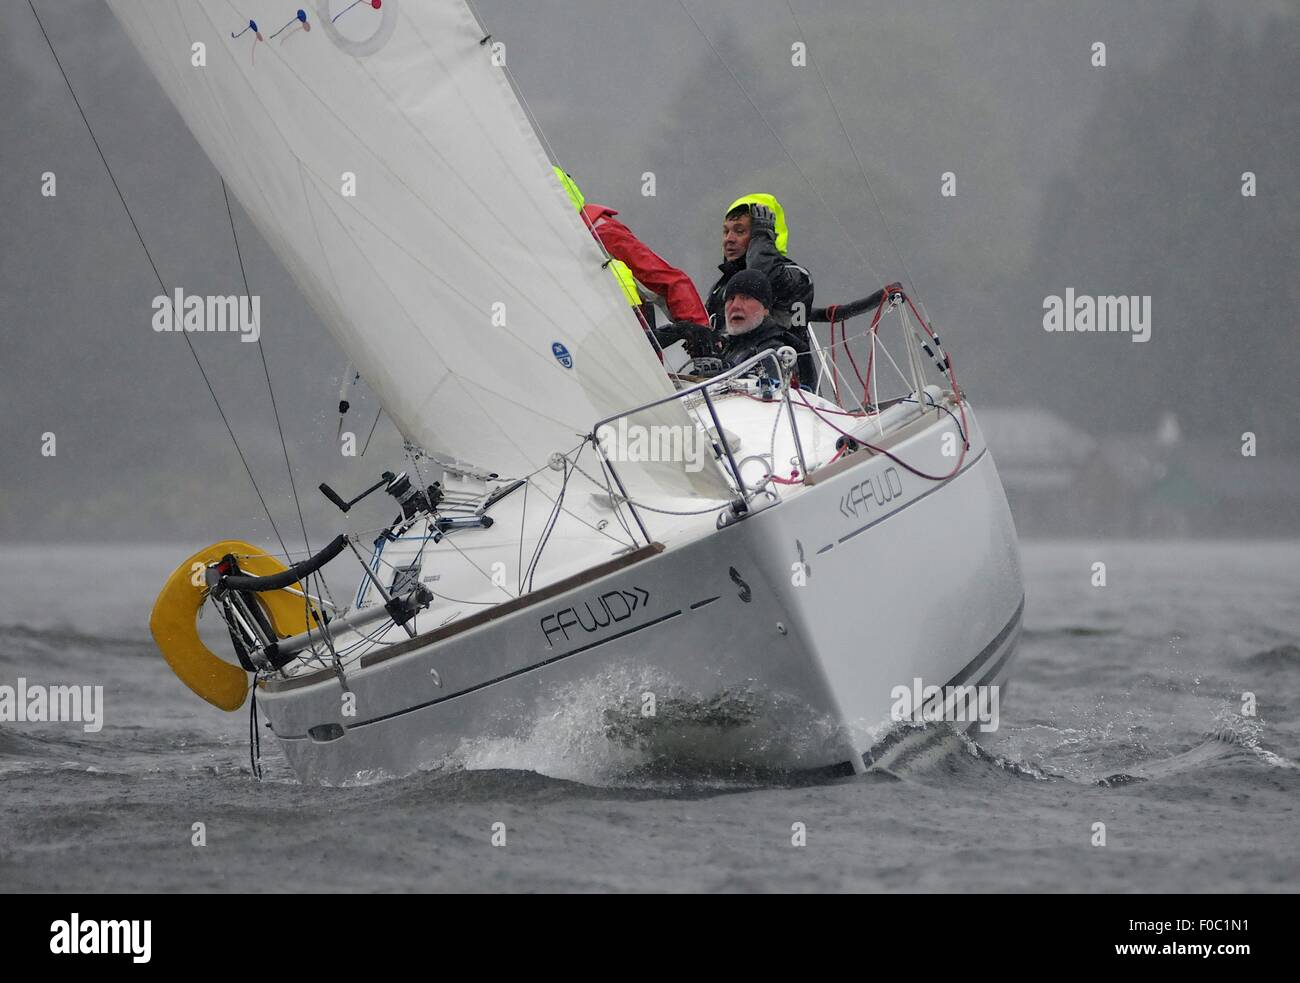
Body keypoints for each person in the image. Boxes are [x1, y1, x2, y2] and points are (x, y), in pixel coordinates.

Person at [706, 194, 817, 385]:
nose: (729, 240)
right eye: (726, 232)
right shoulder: (721, 287)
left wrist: (762, 235)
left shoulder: (795, 275)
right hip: (729, 387)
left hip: (790, 390)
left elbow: (759, 280)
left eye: (739, 231)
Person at [717, 269, 807, 375]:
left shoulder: (776, 351)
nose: (735, 306)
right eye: (731, 299)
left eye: (746, 298)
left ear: (765, 310)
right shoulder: (726, 347)